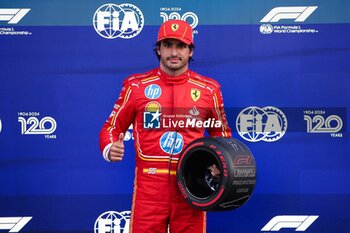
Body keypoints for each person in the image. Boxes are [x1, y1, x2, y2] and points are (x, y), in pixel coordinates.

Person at [99, 19, 232, 233]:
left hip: (192, 185)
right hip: (149, 188)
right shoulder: (136, 86)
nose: (174, 52)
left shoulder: (209, 89)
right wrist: (109, 147)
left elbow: (222, 134)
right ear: (158, 49)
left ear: (190, 51)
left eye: (180, 46)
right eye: (168, 45)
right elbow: (112, 127)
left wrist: (222, 163)